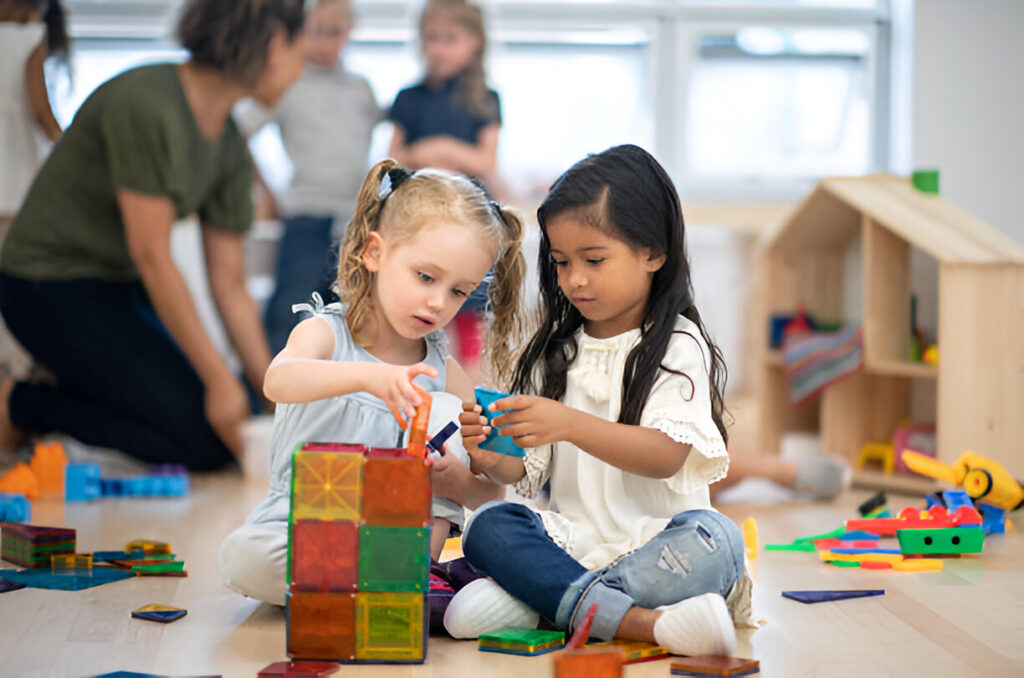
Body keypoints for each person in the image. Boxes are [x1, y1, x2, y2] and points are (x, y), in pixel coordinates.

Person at [447, 145, 752, 657]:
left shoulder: (678, 343)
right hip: (573, 542)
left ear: (653, 253)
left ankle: (549, 600)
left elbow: (665, 456)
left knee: (717, 539)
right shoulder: (555, 353)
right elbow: (522, 473)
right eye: (562, 263)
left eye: (594, 260)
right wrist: (489, 455)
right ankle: (641, 622)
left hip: (660, 547)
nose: (574, 280)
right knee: (487, 526)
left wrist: (568, 423)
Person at [0, 0, 308, 468]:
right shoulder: (147, 103)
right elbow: (152, 255)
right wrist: (218, 381)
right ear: (273, 43)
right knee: (202, 440)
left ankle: (72, 383)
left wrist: (274, 397)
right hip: (45, 285)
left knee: (228, 423)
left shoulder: (227, 141)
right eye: (300, 57)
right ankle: (23, 405)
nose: (299, 74)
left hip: (116, 287)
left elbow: (230, 284)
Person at [217, 158, 527, 606]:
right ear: (375, 252)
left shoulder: (441, 370)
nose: (439, 302)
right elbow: (277, 381)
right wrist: (371, 377)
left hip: (398, 540)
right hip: (303, 528)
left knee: (444, 407)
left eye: (459, 291)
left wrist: (459, 481)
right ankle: (375, 586)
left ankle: (388, 579)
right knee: (241, 557)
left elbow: (492, 492)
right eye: (425, 276)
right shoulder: (324, 333)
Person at [236, 0, 382, 355]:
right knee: (290, 305)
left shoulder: (360, 87)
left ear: (349, 31)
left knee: (350, 311)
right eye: (314, 32)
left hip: (354, 220)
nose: (323, 43)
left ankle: (340, 392)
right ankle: (268, 392)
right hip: (306, 214)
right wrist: (266, 192)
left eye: (334, 32)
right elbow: (238, 131)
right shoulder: (288, 82)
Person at [387, 0, 503, 372]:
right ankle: (415, 373)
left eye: (450, 39)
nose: (438, 48)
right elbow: (392, 161)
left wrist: (441, 149)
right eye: (431, 38)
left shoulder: (486, 99)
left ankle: (467, 382)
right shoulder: (409, 98)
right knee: (421, 291)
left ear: (475, 42)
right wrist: (426, 155)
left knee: (467, 298)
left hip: (468, 215)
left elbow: (486, 162)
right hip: (421, 217)